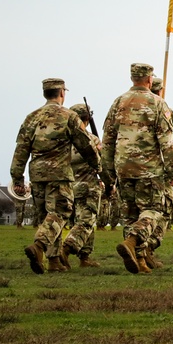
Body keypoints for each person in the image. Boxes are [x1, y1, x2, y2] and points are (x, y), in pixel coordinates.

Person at [11, 78, 100, 273]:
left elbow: (21, 149)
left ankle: (54, 262)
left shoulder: (31, 117)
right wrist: (98, 165)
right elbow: (85, 145)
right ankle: (39, 246)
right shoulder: (68, 116)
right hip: (59, 174)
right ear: (62, 93)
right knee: (60, 213)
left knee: (47, 218)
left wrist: (17, 177)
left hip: (37, 174)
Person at [102, 63, 173, 274]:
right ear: (149, 80)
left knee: (130, 214)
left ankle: (140, 260)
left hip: (123, 167)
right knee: (153, 210)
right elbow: (167, 142)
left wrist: (108, 170)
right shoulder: (157, 103)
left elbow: (108, 138)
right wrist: (172, 172)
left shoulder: (118, 102)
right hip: (149, 168)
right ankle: (133, 240)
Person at [60, 103, 104, 268]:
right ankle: (67, 248)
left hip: (69, 187)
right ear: (87, 118)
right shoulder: (91, 139)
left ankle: (84, 257)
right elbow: (102, 163)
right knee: (86, 221)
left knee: (80, 222)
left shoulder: (64, 141)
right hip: (88, 186)